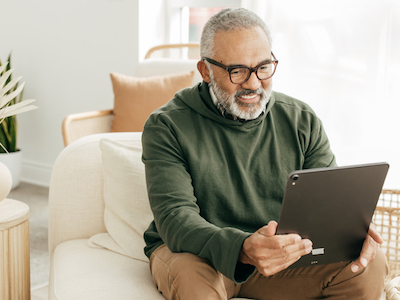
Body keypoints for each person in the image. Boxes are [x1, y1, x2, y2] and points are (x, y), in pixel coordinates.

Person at [141, 7, 387, 300]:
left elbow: (327, 204)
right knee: (192, 281)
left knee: (369, 266)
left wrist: (351, 230)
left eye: (263, 67)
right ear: (205, 70)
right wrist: (243, 247)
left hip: (280, 259)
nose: (253, 83)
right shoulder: (166, 124)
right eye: (237, 70)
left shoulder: (300, 119)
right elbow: (175, 217)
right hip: (201, 255)